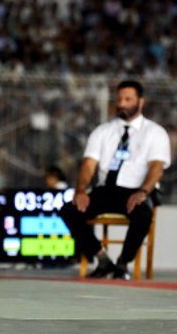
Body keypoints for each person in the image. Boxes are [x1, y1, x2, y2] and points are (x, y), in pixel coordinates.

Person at [59, 80, 170, 280]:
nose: (122, 104)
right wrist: (81, 191)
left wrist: (143, 191)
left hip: (137, 190)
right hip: (106, 191)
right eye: (119, 99)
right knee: (69, 210)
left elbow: (156, 167)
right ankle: (101, 258)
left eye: (128, 99)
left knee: (143, 214)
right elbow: (89, 164)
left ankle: (122, 263)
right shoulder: (102, 131)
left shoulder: (155, 132)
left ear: (140, 102)